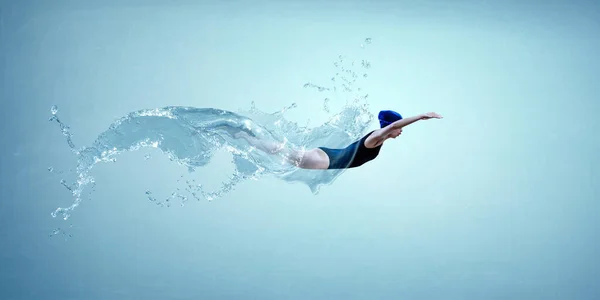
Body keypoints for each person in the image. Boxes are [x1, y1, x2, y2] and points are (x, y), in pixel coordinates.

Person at [232, 110, 443, 170]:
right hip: (322, 161)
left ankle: (248, 136)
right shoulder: (375, 138)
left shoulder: (377, 140)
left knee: (282, 150)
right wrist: (420, 117)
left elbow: (393, 127)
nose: (401, 132)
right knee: (279, 151)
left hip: (325, 156)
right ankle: (244, 136)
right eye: (398, 128)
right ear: (389, 127)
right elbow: (393, 126)